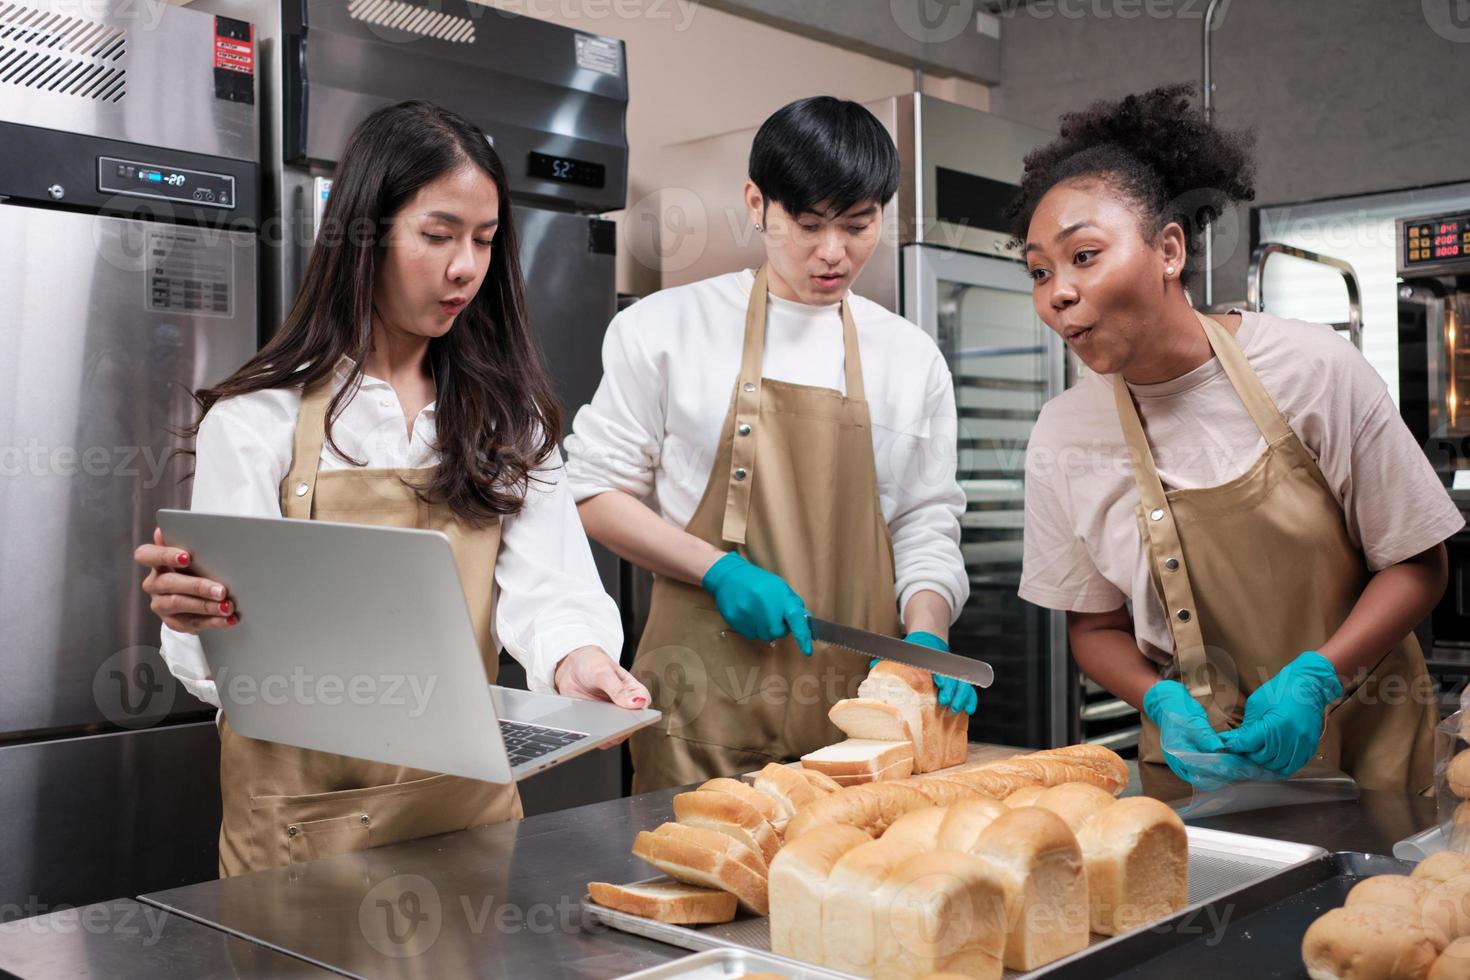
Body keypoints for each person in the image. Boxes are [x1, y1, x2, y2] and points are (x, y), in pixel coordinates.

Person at [133, 100, 649, 875]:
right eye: (438, 236)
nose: (465, 268)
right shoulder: (254, 420)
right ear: (363, 237)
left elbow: (550, 589)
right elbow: (217, 664)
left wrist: (579, 661)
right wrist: (195, 618)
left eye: (483, 240)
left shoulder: (508, 419)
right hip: (302, 826)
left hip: (463, 809)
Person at [1013, 84, 1458, 793]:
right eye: (1039, 271)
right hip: (1198, 782)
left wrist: (1319, 679)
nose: (1057, 292)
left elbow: (1419, 564)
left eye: (1085, 256)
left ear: (1168, 249)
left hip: (1370, 767)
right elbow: (1093, 629)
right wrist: (1156, 698)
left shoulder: (1313, 369)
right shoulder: (1063, 433)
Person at [565, 96, 973, 793]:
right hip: (703, 714)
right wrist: (717, 570)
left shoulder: (911, 357)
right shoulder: (666, 329)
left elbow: (925, 521)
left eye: (858, 224)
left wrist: (924, 635)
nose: (832, 252)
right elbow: (595, 495)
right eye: (808, 225)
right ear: (757, 204)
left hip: (862, 722)